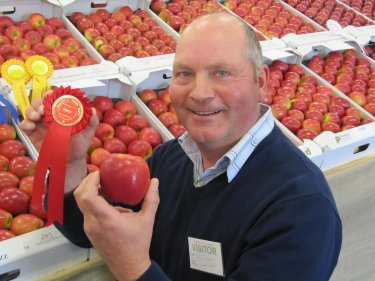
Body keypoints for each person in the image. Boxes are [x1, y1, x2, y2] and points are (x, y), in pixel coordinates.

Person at [21, 12, 342, 281]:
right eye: (185, 73)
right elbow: (86, 232)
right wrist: (70, 159)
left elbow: (125, 255)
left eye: (222, 72)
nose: (200, 93)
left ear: (261, 81)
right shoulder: (171, 158)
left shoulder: (302, 210)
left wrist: (132, 267)